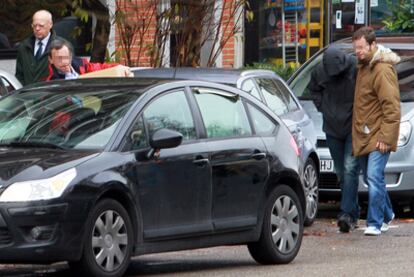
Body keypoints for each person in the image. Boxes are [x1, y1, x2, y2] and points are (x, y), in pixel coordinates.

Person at [352, 26, 400, 236]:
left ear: (372, 45)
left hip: (378, 135)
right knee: (373, 177)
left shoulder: (380, 69)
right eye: (356, 48)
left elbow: (392, 106)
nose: (358, 51)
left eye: (361, 47)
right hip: (365, 133)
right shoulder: (364, 66)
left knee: (373, 175)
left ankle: (375, 222)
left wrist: (386, 137)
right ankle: (387, 213)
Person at [308, 46, 360, 233]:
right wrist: (323, 108)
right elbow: (313, 90)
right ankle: (353, 212)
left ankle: (346, 214)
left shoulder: (355, 68)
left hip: (352, 128)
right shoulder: (320, 71)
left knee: (350, 170)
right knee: (341, 173)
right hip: (331, 129)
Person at [15, 10, 61, 85]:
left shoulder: (61, 46)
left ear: (50, 24)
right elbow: (19, 75)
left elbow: (66, 75)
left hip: (51, 94)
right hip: (28, 94)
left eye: (41, 25)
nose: (37, 29)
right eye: (34, 25)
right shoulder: (23, 47)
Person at [46, 38, 128, 80]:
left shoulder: (81, 64)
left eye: (66, 57)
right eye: (59, 58)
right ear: (51, 60)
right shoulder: (52, 81)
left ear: (71, 56)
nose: (64, 62)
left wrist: (118, 67)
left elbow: (99, 68)